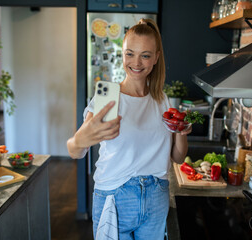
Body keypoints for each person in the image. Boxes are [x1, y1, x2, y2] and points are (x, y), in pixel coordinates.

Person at [67, 18, 191, 240]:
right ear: (122, 55)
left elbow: (178, 157)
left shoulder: (162, 100)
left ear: (156, 58)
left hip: (156, 196)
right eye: (130, 54)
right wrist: (79, 140)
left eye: (145, 55)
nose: (136, 62)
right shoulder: (108, 95)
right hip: (115, 196)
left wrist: (181, 132)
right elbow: (75, 151)